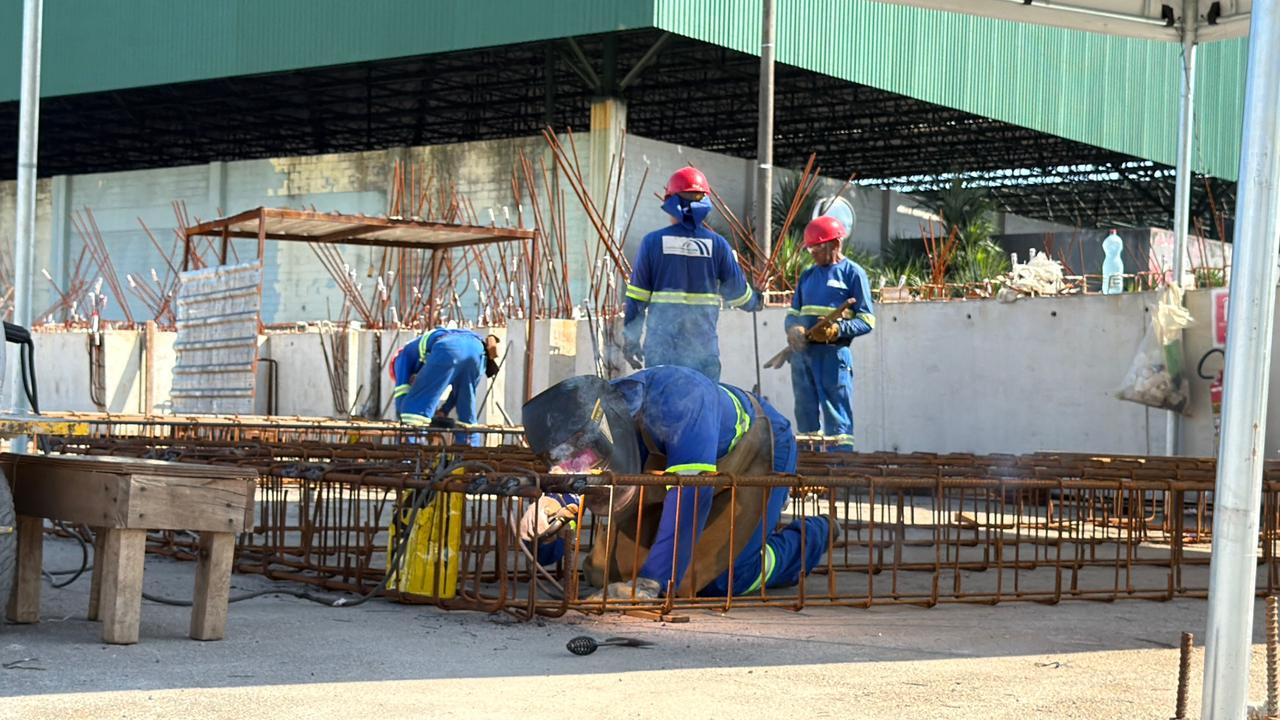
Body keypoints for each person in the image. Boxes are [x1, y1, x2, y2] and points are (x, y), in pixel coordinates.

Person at [518, 366, 832, 599]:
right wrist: (551, 513)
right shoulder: (595, 416)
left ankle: (814, 534)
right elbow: (582, 474)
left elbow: (690, 498)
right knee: (605, 574)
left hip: (758, 450)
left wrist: (652, 581)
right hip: (685, 470)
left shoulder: (682, 402)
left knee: (721, 580)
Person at [622, 167, 762, 382]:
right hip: (703, 353)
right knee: (703, 403)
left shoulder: (652, 243)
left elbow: (637, 299)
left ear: (670, 203)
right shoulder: (718, 245)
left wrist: (630, 342)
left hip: (661, 352)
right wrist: (755, 301)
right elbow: (738, 295)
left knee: (662, 402)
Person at [785, 216, 875, 453]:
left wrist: (837, 330)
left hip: (833, 357)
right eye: (810, 249)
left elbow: (867, 320)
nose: (813, 254)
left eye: (817, 248)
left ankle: (839, 466)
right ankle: (810, 465)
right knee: (805, 413)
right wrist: (793, 328)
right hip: (803, 355)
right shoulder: (807, 276)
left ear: (835, 244)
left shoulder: (853, 274)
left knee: (837, 418)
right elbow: (793, 313)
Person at [390, 328, 499, 446]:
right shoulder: (422, 354)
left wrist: (403, 417)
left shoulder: (400, 358)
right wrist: (444, 410)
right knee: (466, 412)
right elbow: (457, 394)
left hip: (448, 347)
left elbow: (401, 393)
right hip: (477, 349)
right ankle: (469, 451)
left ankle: (410, 451)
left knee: (412, 409)